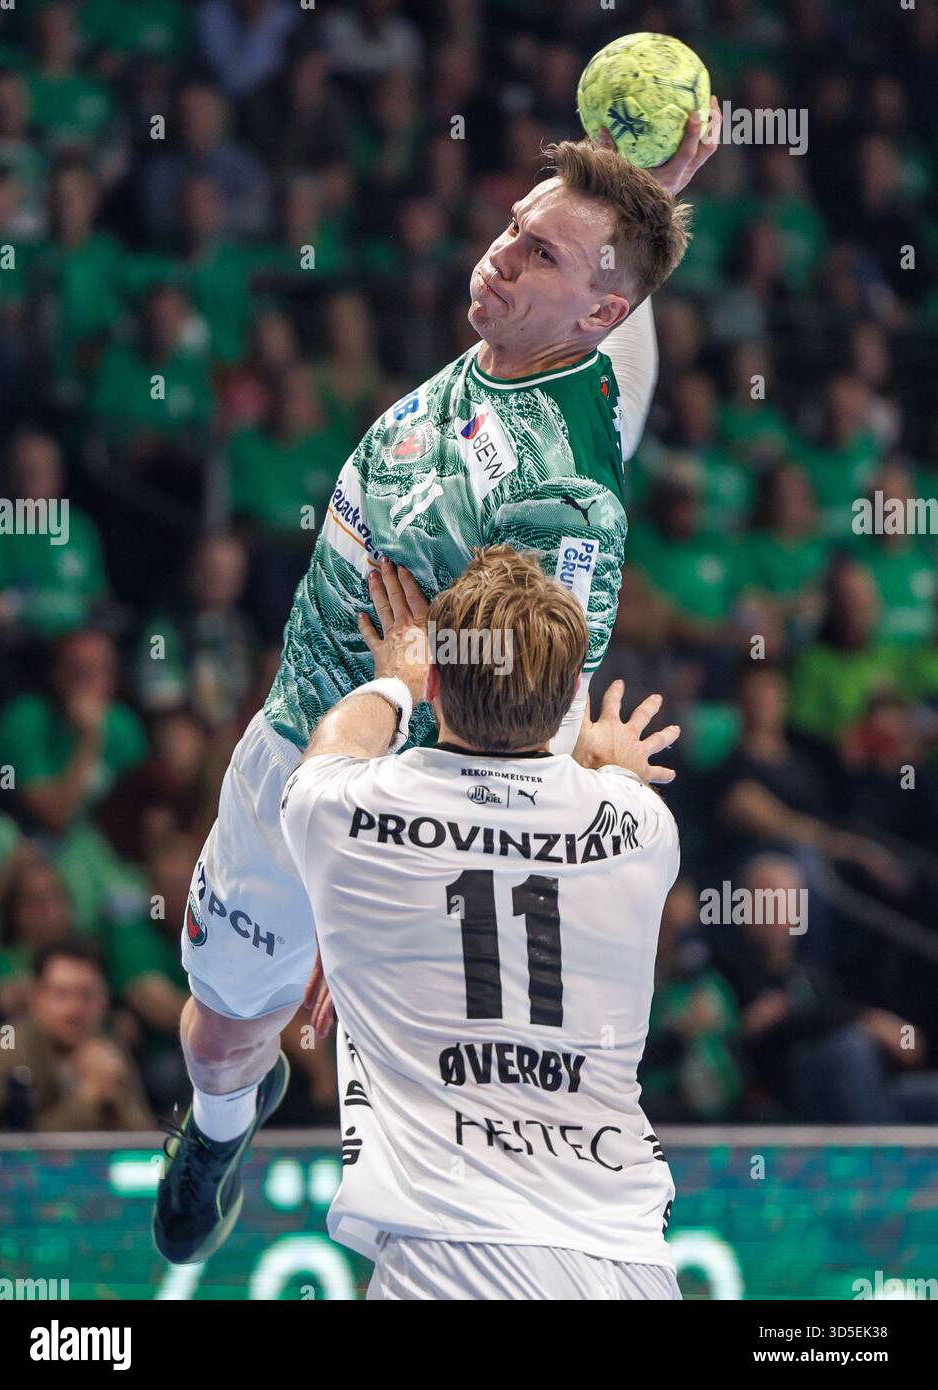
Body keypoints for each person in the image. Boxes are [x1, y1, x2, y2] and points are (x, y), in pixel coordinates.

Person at [153, 113, 721, 1265]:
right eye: (514, 228)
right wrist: (646, 187)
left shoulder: (568, 503)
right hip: (286, 738)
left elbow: (523, 730)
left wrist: (362, 874)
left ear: (595, 316)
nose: (501, 256)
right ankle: (220, 1127)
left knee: (261, 1019)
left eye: (539, 256)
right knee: (220, 1035)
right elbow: (623, 279)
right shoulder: (565, 326)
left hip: (406, 800)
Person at [278, 548, 682, 1299]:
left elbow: (330, 751)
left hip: (451, 1258)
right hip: (630, 1262)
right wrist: (613, 766)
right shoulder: (640, 826)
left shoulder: (347, 814)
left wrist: (393, 682)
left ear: (438, 680)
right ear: (567, 703)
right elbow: (556, 826)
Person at [0, 941, 153, 1132]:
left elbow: (144, 1143)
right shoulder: (7, 1049)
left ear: (104, 1000)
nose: (75, 1010)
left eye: (86, 995)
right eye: (62, 994)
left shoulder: (109, 1051)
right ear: (37, 998)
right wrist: (88, 1097)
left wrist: (118, 1099)